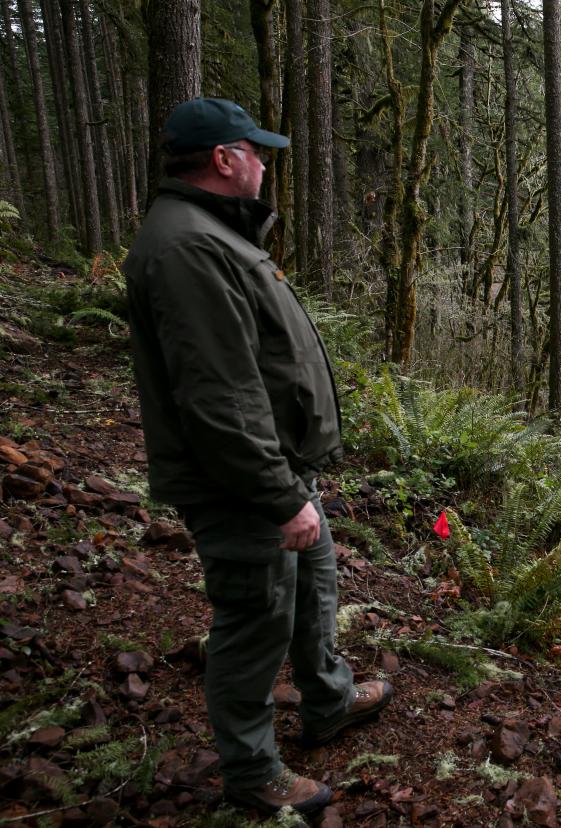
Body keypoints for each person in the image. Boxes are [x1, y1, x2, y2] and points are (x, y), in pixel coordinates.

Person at [123, 98, 393, 816]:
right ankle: (252, 772)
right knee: (253, 621)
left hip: (271, 468)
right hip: (242, 482)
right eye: (256, 150)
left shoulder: (210, 233)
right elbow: (218, 396)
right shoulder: (186, 247)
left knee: (314, 587)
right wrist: (279, 495)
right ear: (223, 158)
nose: (265, 163)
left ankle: (329, 700)